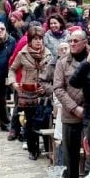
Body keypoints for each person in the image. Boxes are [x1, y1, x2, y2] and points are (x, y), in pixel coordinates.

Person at [10, 26, 54, 160]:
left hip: (44, 92)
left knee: (46, 120)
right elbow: (12, 69)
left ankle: (48, 149)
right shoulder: (22, 54)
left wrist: (49, 88)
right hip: (27, 92)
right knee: (30, 121)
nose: (38, 41)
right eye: (35, 39)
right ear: (29, 40)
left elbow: (53, 74)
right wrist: (13, 83)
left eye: (40, 38)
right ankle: (32, 149)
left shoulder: (49, 54)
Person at [54, 29, 88, 178]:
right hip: (70, 115)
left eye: (76, 41)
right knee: (70, 157)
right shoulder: (62, 62)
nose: (72, 44)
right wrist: (75, 108)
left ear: (85, 42)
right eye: (70, 41)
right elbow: (59, 88)